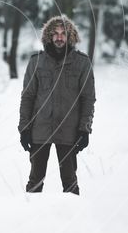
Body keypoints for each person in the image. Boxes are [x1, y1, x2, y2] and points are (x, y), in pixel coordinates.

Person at [18, 15, 96, 195]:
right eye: (55, 34)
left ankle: (71, 219)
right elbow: (27, 97)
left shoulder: (82, 63)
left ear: (71, 36)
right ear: (49, 37)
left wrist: (84, 129)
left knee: (70, 183)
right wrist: (24, 129)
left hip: (69, 131)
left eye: (64, 34)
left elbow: (88, 98)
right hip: (40, 131)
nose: (59, 37)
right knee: (35, 182)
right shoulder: (36, 62)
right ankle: (29, 218)